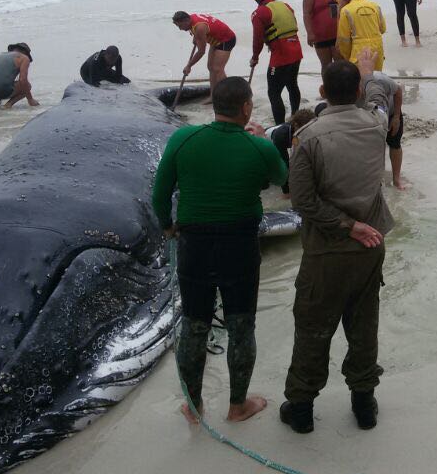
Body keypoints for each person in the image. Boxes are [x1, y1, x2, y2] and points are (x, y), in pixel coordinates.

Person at [153, 76, 286, 425]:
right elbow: (281, 177)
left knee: (194, 326)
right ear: (246, 108)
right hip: (239, 246)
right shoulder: (259, 146)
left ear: (214, 106)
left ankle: (194, 406)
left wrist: (167, 227)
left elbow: (159, 194)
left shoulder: (183, 138)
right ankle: (237, 406)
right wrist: (261, 140)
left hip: (194, 245)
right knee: (241, 326)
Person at [280, 52, 393, 434]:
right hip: (369, 247)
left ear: (322, 91)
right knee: (364, 325)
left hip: (326, 250)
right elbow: (378, 97)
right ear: (358, 90)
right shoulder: (376, 124)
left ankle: (301, 407)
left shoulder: (307, 137)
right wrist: (368, 72)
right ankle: (364, 402)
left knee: (313, 328)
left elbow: (303, 201)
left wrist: (346, 226)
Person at [249, 0, 303, 126]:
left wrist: (255, 57)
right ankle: (295, 117)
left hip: (281, 55)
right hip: (296, 50)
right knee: (292, 85)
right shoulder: (286, 5)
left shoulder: (258, 13)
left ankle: (280, 125)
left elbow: (257, 39)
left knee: (273, 93)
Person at [360, 67, 406, 189]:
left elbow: (398, 91)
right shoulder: (348, 86)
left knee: (395, 143)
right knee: (371, 147)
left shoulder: (379, 79)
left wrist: (396, 117)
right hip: (368, 114)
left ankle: (396, 180)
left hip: (390, 111)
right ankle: (374, 179)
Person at [172, 11, 236, 94]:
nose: (180, 29)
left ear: (186, 20)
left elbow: (201, 52)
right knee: (211, 67)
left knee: (217, 69)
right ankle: (213, 95)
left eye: (180, 26)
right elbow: (198, 30)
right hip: (215, 39)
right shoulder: (191, 18)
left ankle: (230, 95)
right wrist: (196, 36)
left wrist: (189, 66)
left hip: (226, 40)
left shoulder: (200, 27)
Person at [337, 0, 387, 71]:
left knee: (360, 78)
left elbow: (344, 39)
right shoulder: (375, 6)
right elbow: (383, 29)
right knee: (376, 77)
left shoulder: (346, 10)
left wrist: (348, 56)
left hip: (359, 50)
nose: (343, 0)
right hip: (377, 50)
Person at [302, 0, 341, 72]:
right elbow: (306, 13)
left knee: (340, 64)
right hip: (320, 36)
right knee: (326, 65)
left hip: (338, 34)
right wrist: (309, 33)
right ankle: (327, 84)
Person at [268, 108, 315, 194]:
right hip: (264, 149)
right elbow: (282, 163)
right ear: (296, 125)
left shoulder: (298, 129)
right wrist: (286, 191)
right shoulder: (282, 135)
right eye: (306, 128)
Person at [0, 43, 38, 108]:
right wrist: (30, 99)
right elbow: (23, 80)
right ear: (24, 52)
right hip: (0, 89)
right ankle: (8, 105)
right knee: (27, 86)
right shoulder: (24, 58)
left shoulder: (0, 55)